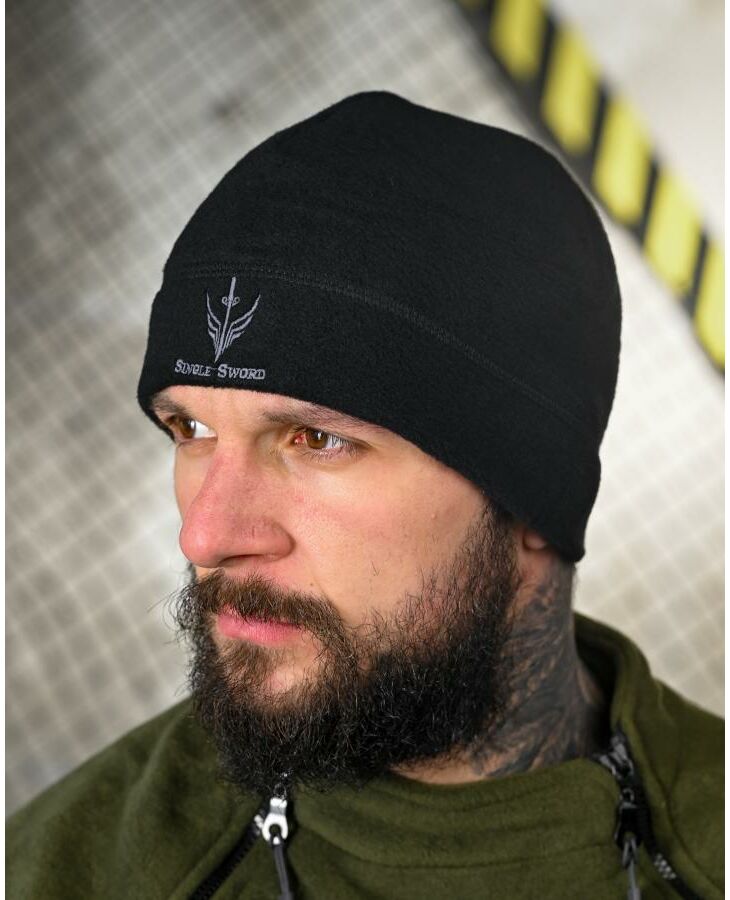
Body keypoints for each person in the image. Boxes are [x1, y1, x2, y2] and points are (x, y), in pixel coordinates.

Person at [7, 91, 722, 900]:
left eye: (316, 440)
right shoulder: (63, 872)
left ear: (531, 494)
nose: (206, 536)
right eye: (192, 430)